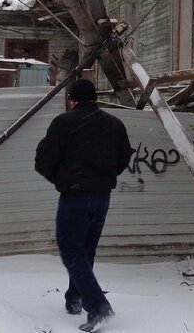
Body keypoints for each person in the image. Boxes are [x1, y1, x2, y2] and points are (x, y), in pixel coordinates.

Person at [35, 78, 133, 332]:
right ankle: (74, 299)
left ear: (72, 99)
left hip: (75, 198)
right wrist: (102, 178)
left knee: (71, 251)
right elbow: (124, 157)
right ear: (95, 98)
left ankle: (97, 306)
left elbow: (43, 161)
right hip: (102, 197)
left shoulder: (64, 123)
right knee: (86, 250)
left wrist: (64, 180)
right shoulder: (114, 124)